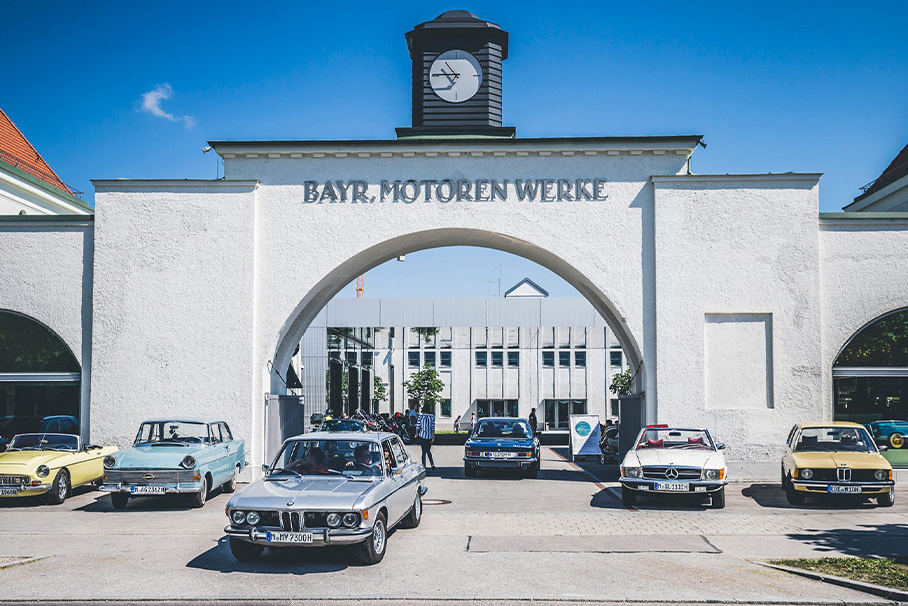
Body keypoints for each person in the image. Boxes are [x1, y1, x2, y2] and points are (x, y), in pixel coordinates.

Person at [417, 403, 436, 470]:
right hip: (429, 436)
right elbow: (433, 428)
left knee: (423, 452)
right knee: (428, 450)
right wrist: (433, 437)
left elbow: (418, 426)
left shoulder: (421, 416)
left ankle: (424, 466)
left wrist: (416, 433)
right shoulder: (432, 417)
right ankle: (432, 464)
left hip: (422, 435)